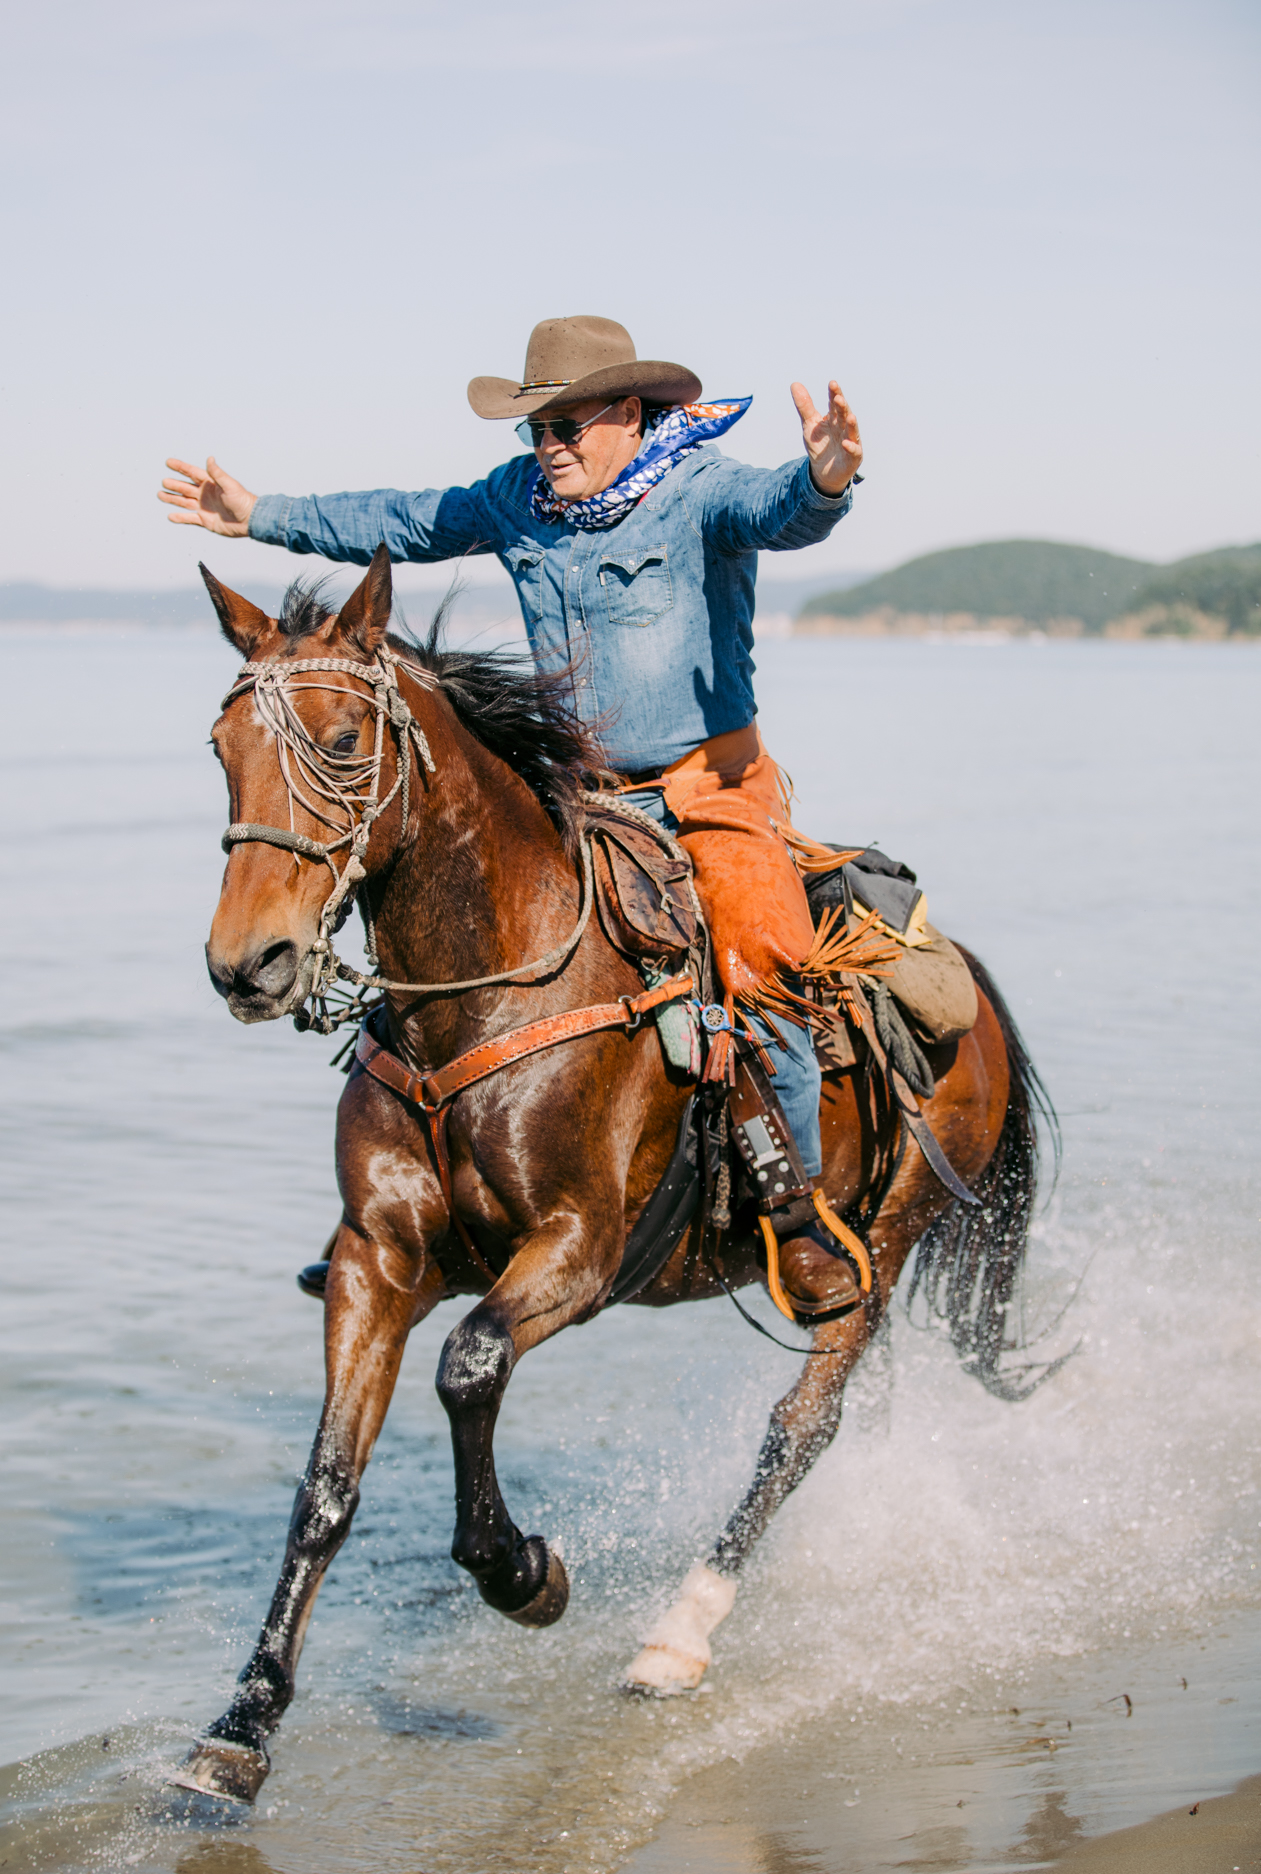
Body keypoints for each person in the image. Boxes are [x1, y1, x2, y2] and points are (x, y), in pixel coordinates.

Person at [160, 315, 865, 1314]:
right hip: (575, 793)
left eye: (571, 424)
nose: (552, 445)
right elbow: (402, 517)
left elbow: (783, 509)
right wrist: (257, 511)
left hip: (708, 791)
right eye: (538, 427)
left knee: (766, 960)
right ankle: (395, 1207)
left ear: (630, 412)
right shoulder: (518, 501)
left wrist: (827, 478)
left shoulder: (702, 487)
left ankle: (793, 1219)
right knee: (446, 920)